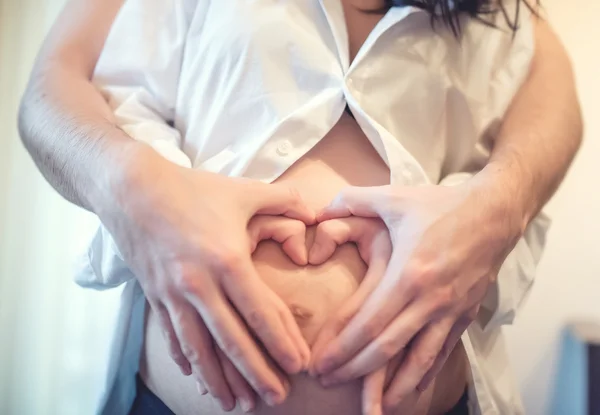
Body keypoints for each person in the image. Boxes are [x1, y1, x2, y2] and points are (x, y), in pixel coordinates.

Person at [18, 0, 582, 414]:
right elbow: (53, 86)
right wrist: (131, 186)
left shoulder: (501, 13)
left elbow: (557, 112)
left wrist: (498, 208)